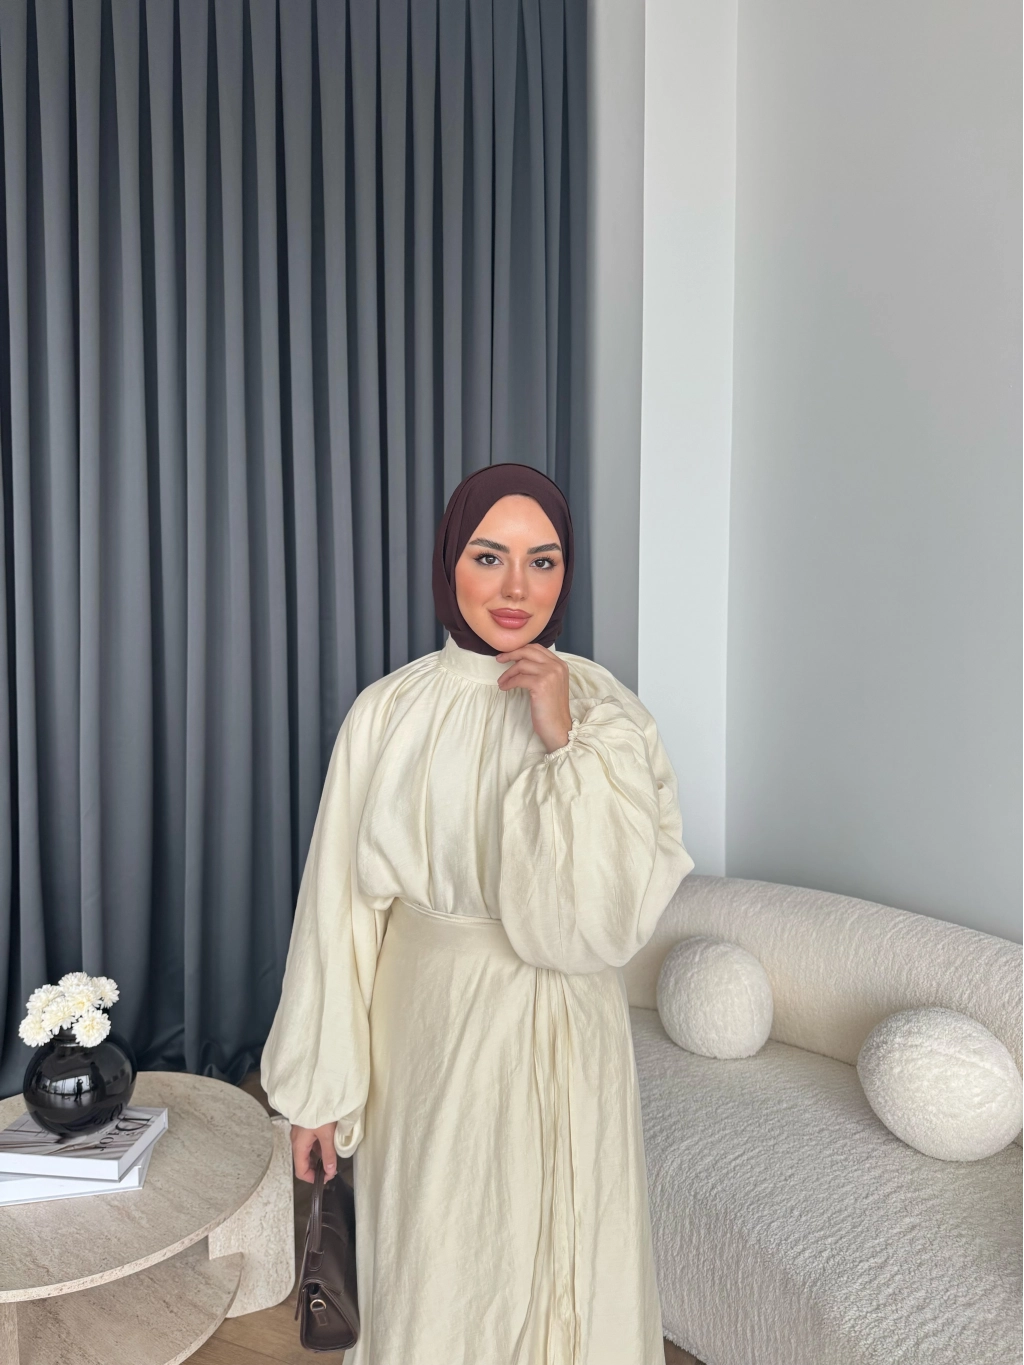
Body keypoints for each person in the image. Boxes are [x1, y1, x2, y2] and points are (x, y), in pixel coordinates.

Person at [260, 462, 695, 1364]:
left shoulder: (610, 713)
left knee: (576, 1250)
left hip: (573, 1026)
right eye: (489, 556)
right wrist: (318, 1094)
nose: (516, 588)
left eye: (544, 560)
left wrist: (565, 738)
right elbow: (338, 915)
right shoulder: (389, 713)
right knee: (442, 1254)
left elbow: (615, 913)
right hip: (435, 1032)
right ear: (449, 561)